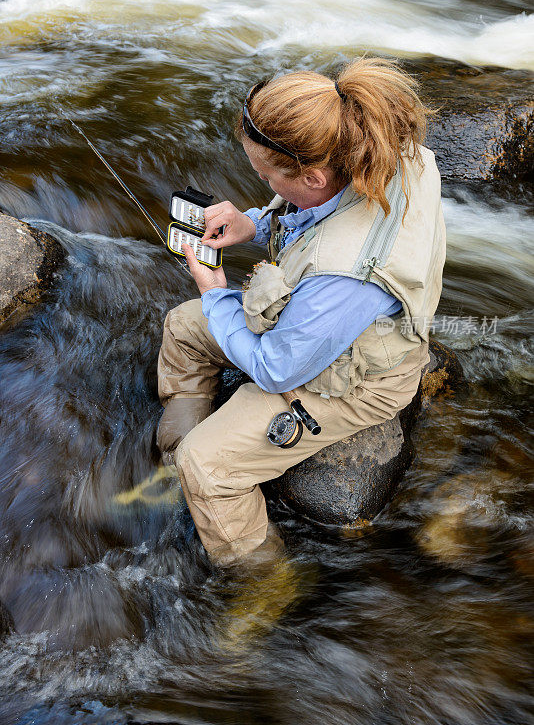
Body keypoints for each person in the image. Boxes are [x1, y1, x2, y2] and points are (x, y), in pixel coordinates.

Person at [157, 57, 446, 567]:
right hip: (327, 324)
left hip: (357, 382)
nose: (262, 181)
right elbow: (316, 211)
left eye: (264, 173)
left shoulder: (347, 274)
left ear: (312, 175)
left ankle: (262, 578)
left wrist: (216, 292)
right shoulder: (385, 150)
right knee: (183, 329)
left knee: (206, 465)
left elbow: (276, 369)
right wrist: (253, 222)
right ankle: (173, 453)